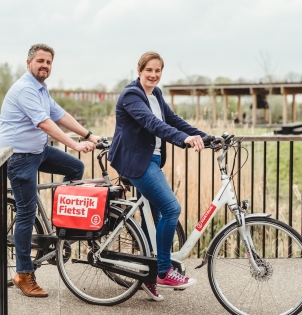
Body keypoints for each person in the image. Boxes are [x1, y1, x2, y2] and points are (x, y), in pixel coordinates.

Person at [0, 43, 101, 298]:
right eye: (40, 61)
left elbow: (60, 115)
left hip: (38, 152)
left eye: (49, 62)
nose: (45, 66)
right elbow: (45, 123)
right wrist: (75, 143)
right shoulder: (24, 89)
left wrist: (88, 134)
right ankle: (23, 274)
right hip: (20, 157)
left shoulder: (41, 89)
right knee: (26, 213)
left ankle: (61, 220)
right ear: (29, 62)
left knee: (75, 166)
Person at [108, 52, 208, 301]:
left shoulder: (156, 94)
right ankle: (163, 270)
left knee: (151, 218)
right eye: (149, 70)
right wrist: (183, 139)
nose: (154, 75)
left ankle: (148, 273)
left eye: (158, 70)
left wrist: (206, 137)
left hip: (150, 160)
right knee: (171, 209)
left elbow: (173, 120)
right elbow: (151, 123)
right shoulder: (132, 95)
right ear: (139, 70)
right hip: (136, 162)